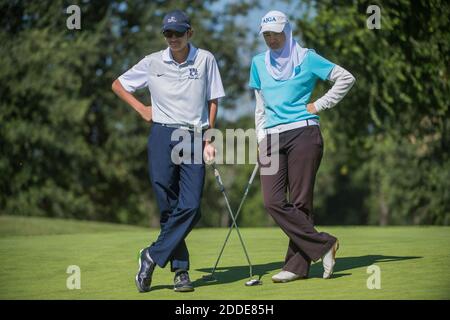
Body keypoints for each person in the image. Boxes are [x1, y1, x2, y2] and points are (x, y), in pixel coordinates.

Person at [111, 9, 225, 292]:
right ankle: (181, 272)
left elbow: (213, 100)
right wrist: (141, 109)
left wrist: (209, 138)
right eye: (168, 34)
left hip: (193, 136)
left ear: (190, 33)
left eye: (178, 33)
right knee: (168, 207)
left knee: (191, 206)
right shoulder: (152, 62)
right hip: (162, 135)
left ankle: (150, 255)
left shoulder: (205, 59)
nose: (173, 38)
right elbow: (118, 85)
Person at [249, 11, 356, 282]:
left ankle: (296, 267)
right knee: (272, 201)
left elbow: (345, 78)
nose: (271, 39)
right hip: (272, 137)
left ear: (287, 31)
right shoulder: (258, 63)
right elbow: (260, 105)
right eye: (267, 35)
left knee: (300, 202)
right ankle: (324, 244)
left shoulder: (307, 58)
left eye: (275, 33)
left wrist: (318, 105)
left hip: (304, 133)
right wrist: (260, 138)